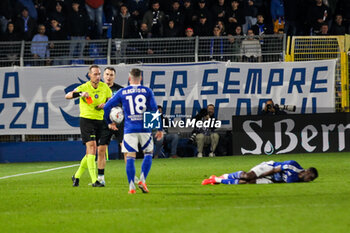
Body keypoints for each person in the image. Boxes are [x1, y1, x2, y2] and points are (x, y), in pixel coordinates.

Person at [104, 68, 163, 194]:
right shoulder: (147, 91)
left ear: (129, 78)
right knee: (148, 153)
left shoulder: (122, 92)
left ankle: (131, 187)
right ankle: (142, 179)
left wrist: (109, 122)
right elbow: (154, 109)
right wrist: (159, 128)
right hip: (145, 128)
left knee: (130, 156)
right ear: (140, 78)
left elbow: (107, 106)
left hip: (129, 129)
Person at [65, 65, 112, 188]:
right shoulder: (84, 87)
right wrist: (80, 94)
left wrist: (105, 105)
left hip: (99, 121)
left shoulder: (104, 87)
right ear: (89, 75)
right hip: (86, 120)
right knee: (92, 147)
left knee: (89, 153)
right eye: (95, 74)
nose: (98, 76)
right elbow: (68, 95)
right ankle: (95, 180)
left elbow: (111, 100)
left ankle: (76, 176)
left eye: (99, 74)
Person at [96, 67, 124, 185]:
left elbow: (125, 105)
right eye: (107, 74)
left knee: (125, 149)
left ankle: (131, 176)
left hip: (119, 122)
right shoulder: (98, 88)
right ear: (103, 76)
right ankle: (101, 178)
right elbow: (94, 103)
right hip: (104, 122)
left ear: (114, 76)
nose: (109, 77)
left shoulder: (120, 90)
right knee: (101, 149)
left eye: (111, 75)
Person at [202, 160, 318, 185]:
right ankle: (223, 176)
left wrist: (267, 181)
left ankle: (216, 179)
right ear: (307, 171)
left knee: (245, 183)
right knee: (247, 176)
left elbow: (282, 182)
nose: (309, 180)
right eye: (310, 177)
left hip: (272, 180)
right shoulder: (293, 166)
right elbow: (275, 170)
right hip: (268, 168)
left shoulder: (298, 181)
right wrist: (259, 175)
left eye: (311, 180)